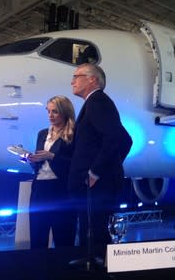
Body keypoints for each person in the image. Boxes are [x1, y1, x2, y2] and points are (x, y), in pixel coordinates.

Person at [69, 63, 132, 252]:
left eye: (77, 76)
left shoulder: (98, 102)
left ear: (92, 80)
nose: (72, 81)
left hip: (96, 187)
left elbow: (116, 139)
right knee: (92, 230)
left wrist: (96, 172)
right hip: (93, 187)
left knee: (96, 232)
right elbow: (124, 140)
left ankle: (97, 267)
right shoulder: (94, 102)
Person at [27, 95, 77, 249]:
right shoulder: (43, 133)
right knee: (37, 237)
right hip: (39, 190)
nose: (50, 115)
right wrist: (32, 160)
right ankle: (39, 271)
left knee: (63, 238)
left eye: (55, 112)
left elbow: (76, 164)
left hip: (61, 190)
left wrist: (53, 156)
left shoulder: (74, 134)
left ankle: (63, 272)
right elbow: (41, 165)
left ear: (64, 112)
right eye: (48, 111)